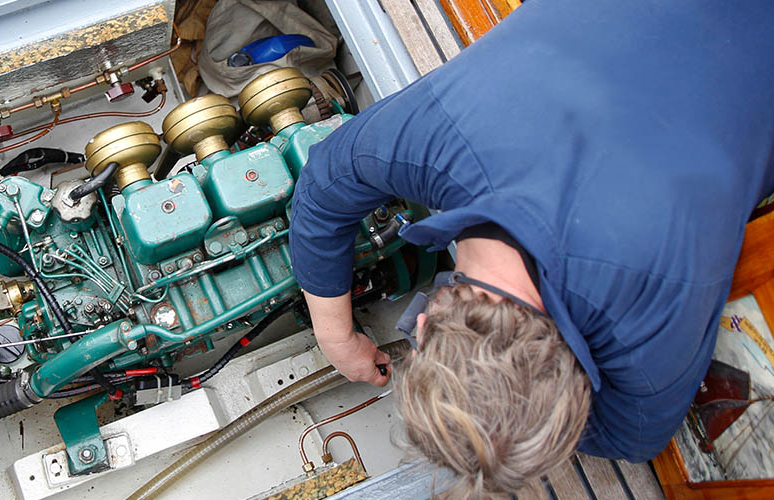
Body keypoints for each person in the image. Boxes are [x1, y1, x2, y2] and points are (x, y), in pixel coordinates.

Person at [288, 0, 774, 497]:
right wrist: (336, 337)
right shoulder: (439, 138)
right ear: (427, 321)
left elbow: (636, 437)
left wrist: (523, 420)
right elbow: (324, 184)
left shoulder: (643, 321)